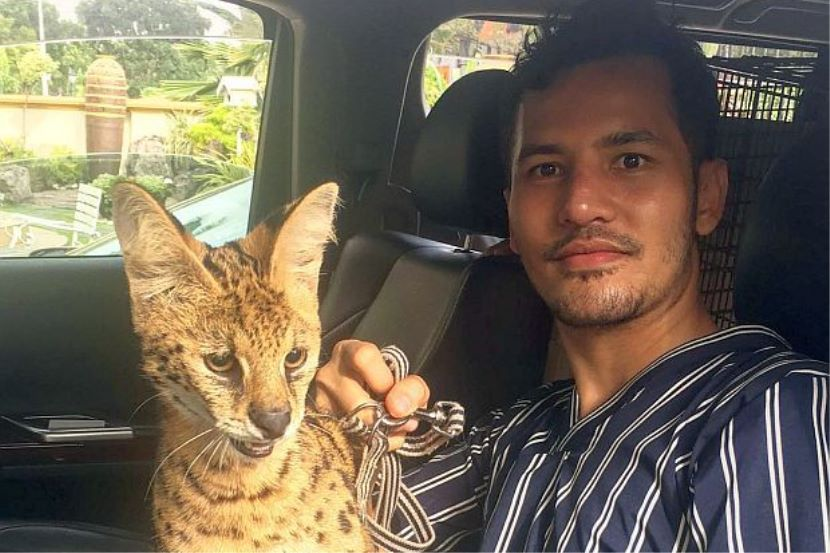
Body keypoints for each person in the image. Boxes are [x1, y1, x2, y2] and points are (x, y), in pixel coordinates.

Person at [312, 1, 830, 550]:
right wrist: (324, 450)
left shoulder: (777, 415)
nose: (580, 205)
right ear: (512, 215)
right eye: (547, 169)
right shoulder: (520, 433)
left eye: (630, 160)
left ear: (707, 197)